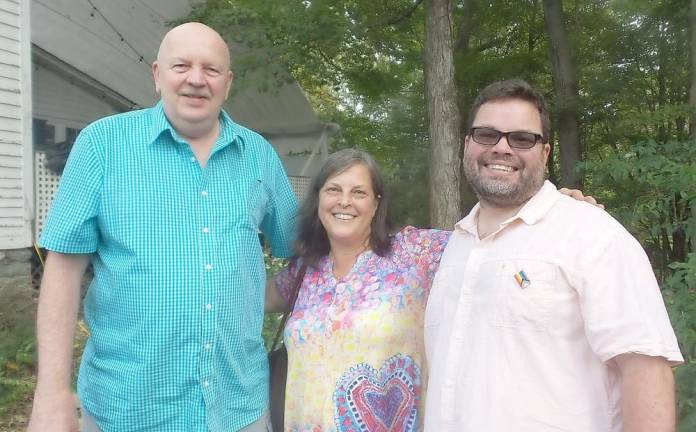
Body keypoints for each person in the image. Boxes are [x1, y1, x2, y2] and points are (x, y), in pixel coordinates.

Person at [28, 22, 297, 432]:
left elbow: (304, 251)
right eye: (181, 65)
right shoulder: (103, 145)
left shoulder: (258, 156)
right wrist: (51, 395)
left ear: (228, 83)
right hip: (128, 408)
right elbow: (63, 271)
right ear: (157, 75)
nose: (195, 79)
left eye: (211, 69)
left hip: (239, 408)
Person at [265, 148, 598, 431]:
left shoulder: (415, 253)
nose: (344, 202)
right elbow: (242, 298)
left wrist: (556, 211)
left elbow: (491, 238)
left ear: (377, 202)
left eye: (359, 192)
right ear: (319, 197)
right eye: (333, 190)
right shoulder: (304, 271)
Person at [424, 79, 683, 432]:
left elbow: (646, 370)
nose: (502, 148)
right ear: (467, 144)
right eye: (487, 134)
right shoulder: (455, 245)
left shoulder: (592, 234)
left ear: (544, 153)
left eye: (522, 138)